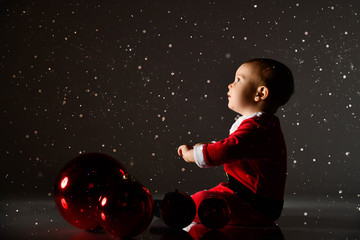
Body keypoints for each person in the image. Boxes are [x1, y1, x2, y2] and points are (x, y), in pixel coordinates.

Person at [178, 58, 294, 226]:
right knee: (213, 194)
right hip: (242, 192)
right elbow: (236, 146)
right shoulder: (258, 124)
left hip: (255, 203)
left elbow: (228, 150)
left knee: (204, 200)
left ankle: (180, 210)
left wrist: (193, 154)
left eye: (238, 80)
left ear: (260, 93)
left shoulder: (259, 127)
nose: (230, 85)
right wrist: (204, 147)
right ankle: (189, 208)